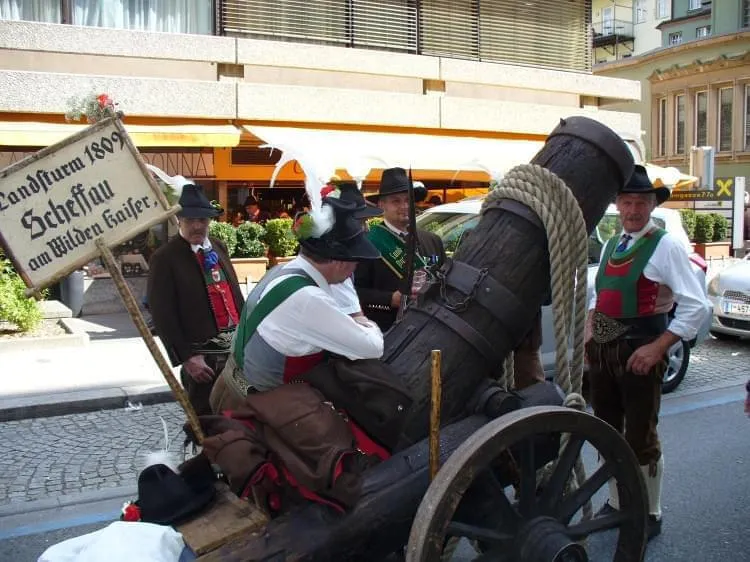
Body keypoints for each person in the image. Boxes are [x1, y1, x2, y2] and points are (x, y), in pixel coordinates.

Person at [584, 165, 710, 540]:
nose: (633, 210)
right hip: (603, 355)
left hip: (641, 354)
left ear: (653, 205)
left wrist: (658, 348)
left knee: (641, 436)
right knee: (607, 431)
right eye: (627, 202)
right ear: (617, 205)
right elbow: (598, 296)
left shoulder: (666, 246)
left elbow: (697, 306)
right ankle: (617, 502)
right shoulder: (612, 244)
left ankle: (649, 512)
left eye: (641, 202)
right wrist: (590, 331)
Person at [209, 191, 384, 411]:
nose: (356, 266)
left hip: (230, 387)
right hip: (259, 409)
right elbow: (372, 348)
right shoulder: (309, 298)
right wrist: (365, 323)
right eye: (356, 260)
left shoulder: (281, 270)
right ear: (340, 262)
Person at [147, 184, 244, 416]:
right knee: (205, 420)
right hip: (203, 360)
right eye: (190, 220)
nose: (198, 226)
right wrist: (187, 357)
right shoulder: (165, 258)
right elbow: (162, 315)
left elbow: (235, 296)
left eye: (202, 219)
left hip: (235, 353)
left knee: (239, 416)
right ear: (178, 220)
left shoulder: (218, 247)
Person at [355, 167, 446, 332]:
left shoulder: (433, 240)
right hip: (388, 331)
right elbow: (355, 292)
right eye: (396, 201)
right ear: (381, 205)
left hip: (431, 328)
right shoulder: (367, 243)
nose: (404, 206)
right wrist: (390, 299)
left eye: (408, 200)